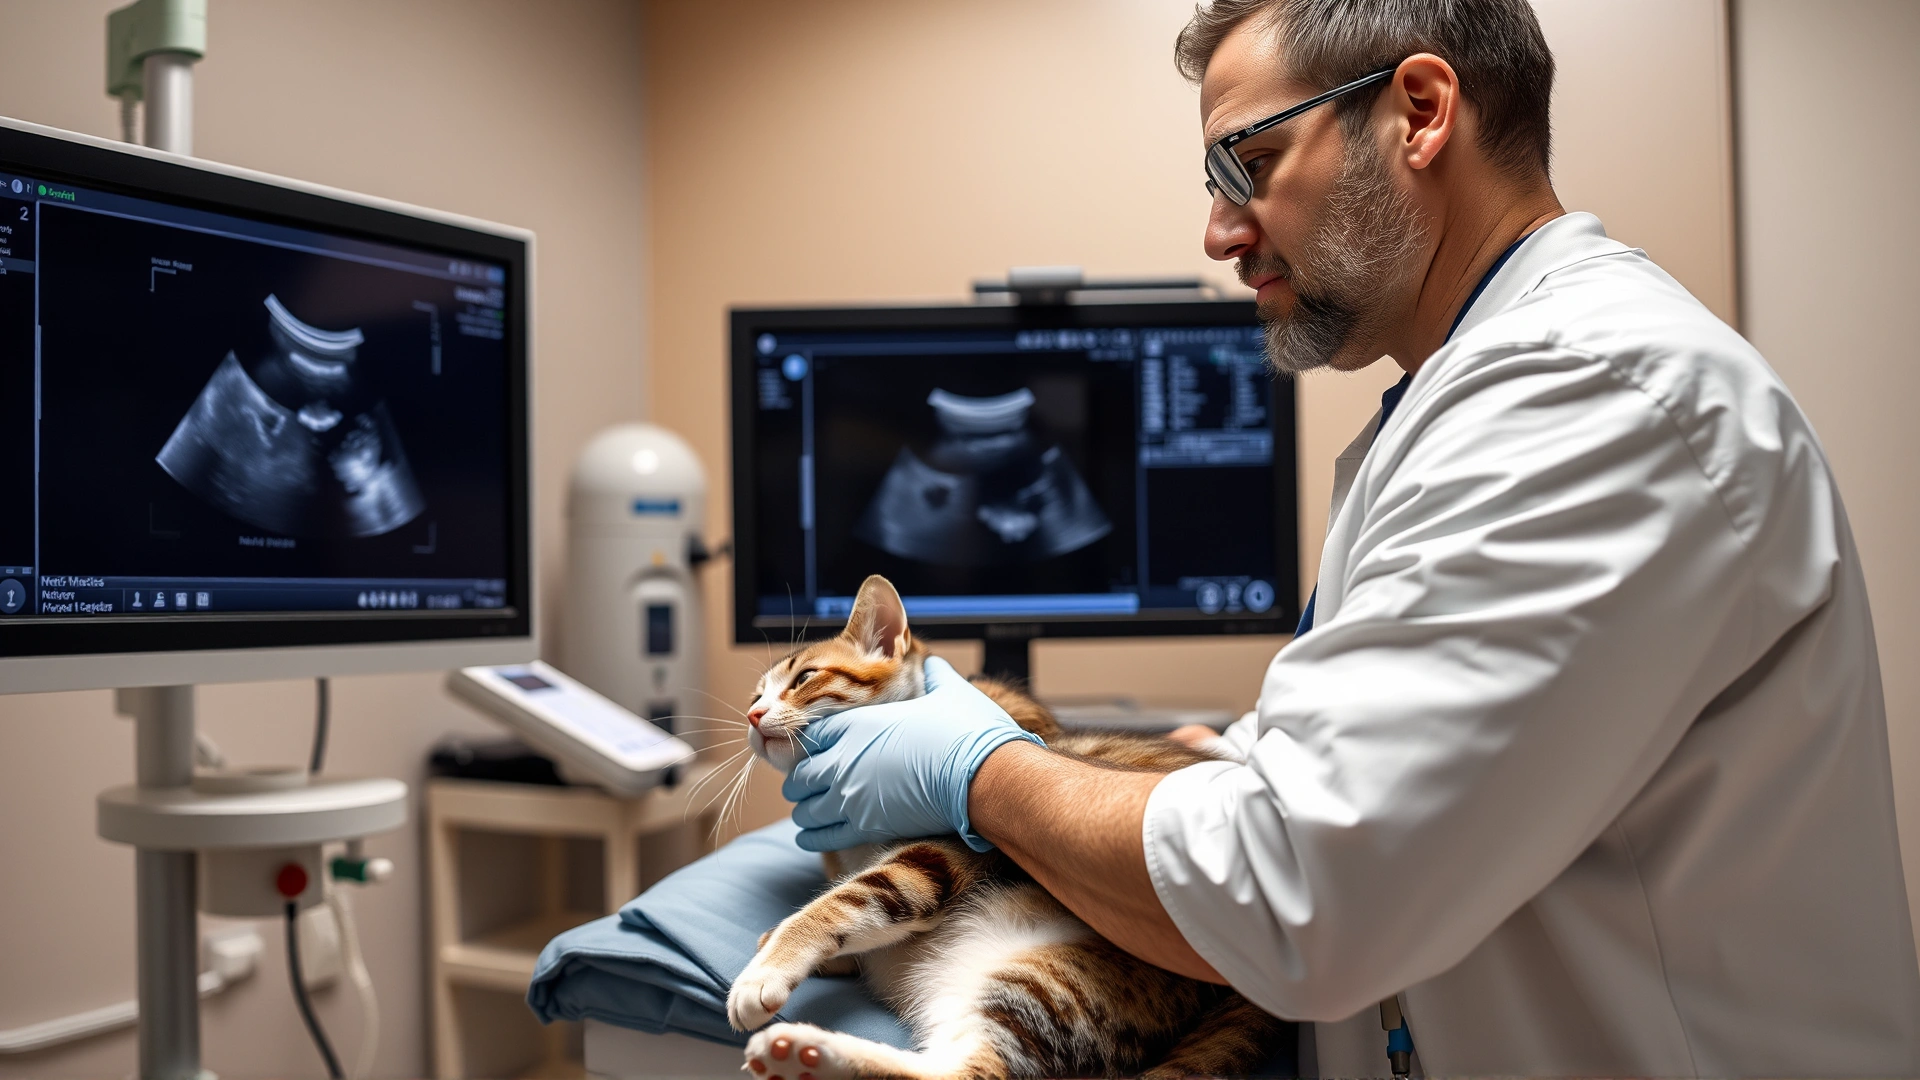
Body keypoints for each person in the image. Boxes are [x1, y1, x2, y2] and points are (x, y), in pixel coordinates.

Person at [780, 0, 1920, 1074]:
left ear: (1420, 113)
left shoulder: (1593, 401)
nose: (1222, 232)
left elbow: (1299, 893)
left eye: (1251, 164)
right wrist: (1232, 761)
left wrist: (986, 774)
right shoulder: (1462, 403)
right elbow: (1435, 765)